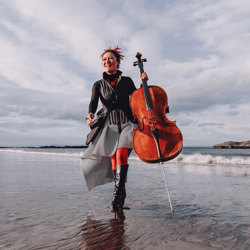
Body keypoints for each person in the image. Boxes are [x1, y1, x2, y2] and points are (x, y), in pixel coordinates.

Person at [82, 46, 148, 213]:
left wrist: (143, 84)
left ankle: (116, 200)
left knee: (120, 154)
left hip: (127, 123)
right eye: (104, 60)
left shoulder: (126, 81)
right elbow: (93, 103)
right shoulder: (98, 84)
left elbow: (136, 98)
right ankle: (121, 196)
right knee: (113, 159)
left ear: (117, 62)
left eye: (110, 58)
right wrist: (90, 114)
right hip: (109, 124)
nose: (107, 61)